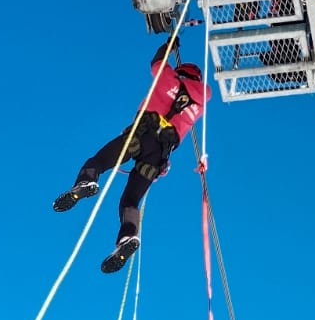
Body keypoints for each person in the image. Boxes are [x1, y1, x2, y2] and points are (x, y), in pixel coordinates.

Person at [54, 42, 211, 273]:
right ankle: (128, 236)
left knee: (99, 160)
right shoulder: (199, 105)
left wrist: (167, 44)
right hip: (157, 157)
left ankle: (87, 181)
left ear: (180, 72)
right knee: (130, 201)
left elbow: (157, 63)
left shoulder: (167, 79)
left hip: (140, 136)